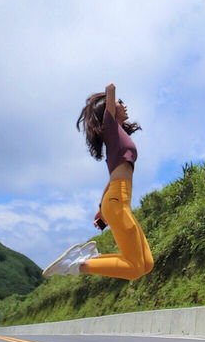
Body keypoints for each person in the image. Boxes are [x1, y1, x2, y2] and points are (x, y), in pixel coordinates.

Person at [43, 83, 154, 280]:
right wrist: (109, 94)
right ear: (108, 110)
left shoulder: (116, 136)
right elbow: (110, 88)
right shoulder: (110, 127)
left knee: (146, 264)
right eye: (120, 102)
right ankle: (76, 265)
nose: (124, 105)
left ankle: (90, 258)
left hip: (117, 199)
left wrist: (101, 207)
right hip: (118, 201)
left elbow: (113, 178)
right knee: (135, 269)